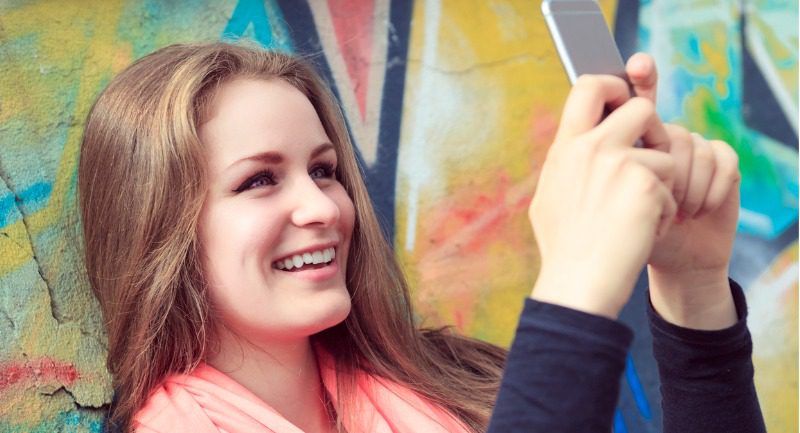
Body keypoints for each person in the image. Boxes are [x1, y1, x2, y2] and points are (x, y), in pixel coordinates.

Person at [77, 42, 764, 433]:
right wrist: (576, 284)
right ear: (161, 229)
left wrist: (694, 292)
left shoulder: (456, 378)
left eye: (324, 170)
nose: (321, 207)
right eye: (259, 180)